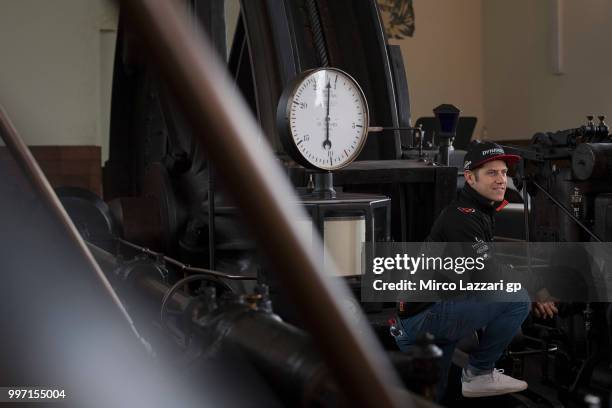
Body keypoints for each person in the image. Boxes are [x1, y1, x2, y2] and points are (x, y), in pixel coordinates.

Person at [394, 141, 557, 400]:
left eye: (504, 173)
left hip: (433, 313)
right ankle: (480, 373)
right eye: (492, 173)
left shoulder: (478, 213)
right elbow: (487, 271)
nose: (501, 180)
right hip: (425, 316)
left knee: (434, 394)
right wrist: (535, 286)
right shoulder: (461, 217)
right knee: (517, 299)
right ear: (469, 177)